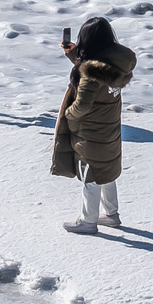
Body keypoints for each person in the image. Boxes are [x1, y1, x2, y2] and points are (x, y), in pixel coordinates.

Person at [51, 16, 137, 233]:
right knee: (106, 171)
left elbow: (83, 105)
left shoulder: (91, 75)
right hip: (109, 129)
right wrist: (75, 57)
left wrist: (67, 115)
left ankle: (88, 221)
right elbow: (99, 74)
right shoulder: (118, 64)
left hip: (90, 133)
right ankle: (111, 215)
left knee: (90, 175)